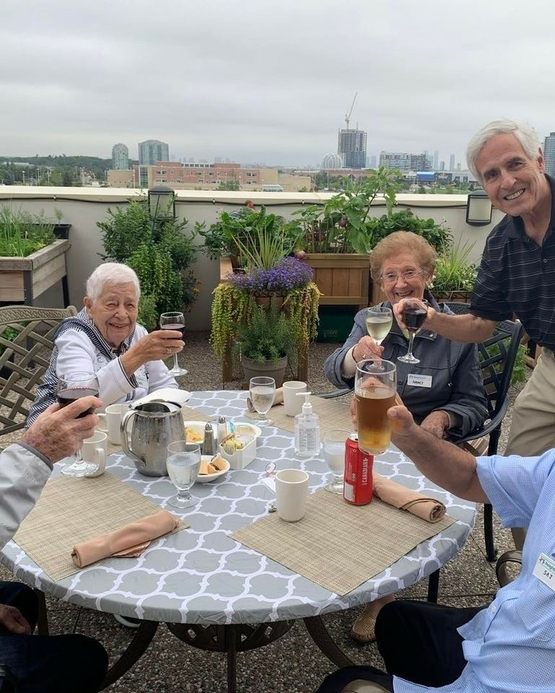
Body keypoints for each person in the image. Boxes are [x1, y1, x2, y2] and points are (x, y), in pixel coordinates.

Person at [393, 119, 555, 549]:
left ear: (538, 160)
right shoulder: (502, 242)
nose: (508, 181)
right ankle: (534, 578)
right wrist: (427, 317)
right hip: (552, 365)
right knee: (517, 473)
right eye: (492, 175)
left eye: (514, 164)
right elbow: (482, 324)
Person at [317, 401, 555, 693]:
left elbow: (474, 403)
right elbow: (471, 476)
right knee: (397, 621)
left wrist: (443, 416)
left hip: (510, 680)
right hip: (501, 631)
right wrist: (408, 435)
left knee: (343, 684)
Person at [324, 232, 488, 643]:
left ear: (429, 275)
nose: (400, 284)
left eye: (410, 272)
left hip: (422, 441)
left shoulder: (454, 331)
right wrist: (354, 356)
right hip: (372, 428)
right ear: (380, 284)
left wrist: (439, 420)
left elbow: (475, 403)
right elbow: (332, 371)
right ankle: (338, 560)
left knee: (398, 498)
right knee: (335, 482)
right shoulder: (369, 321)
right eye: (389, 276)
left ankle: (382, 593)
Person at [0, 396, 109, 692]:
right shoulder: (72, 348)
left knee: (20, 598)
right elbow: (89, 398)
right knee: (84, 657)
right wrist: (36, 451)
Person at [27, 262, 183, 425]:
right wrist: (135, 357)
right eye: (111, 304)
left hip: (128, 431)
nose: (122, 314)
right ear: (89, 306)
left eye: (129, 305)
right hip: (60, 435)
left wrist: (155, 421)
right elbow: (80, 402)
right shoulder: (74, 335)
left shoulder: (138, 332)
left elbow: (165, 385)